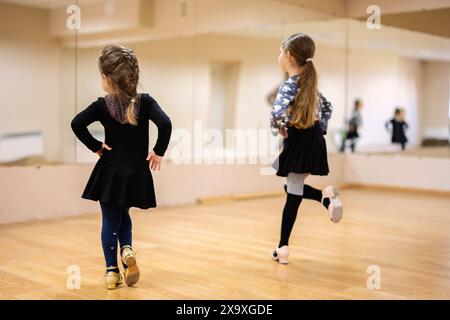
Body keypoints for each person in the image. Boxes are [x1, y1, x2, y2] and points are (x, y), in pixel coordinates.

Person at [71, 45, 172, 289]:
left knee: (109, 218)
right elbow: (166, 123)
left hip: (110, 170)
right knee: (123, 214)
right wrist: (158, 152)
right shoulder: (145, 102)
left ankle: (111, 272)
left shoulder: (101, 105)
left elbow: (76, 124)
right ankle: (127, 250)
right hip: (135, 171)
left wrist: (96, 146)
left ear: (106, 79)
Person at [270, 33, 343, 265]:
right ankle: (324, 198)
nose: (279, 56)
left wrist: (281, 128)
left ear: (289, 56)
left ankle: (283, 247)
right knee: (292, 187)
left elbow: (276, 115)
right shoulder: (311, 86)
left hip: (298, 141)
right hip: (313, 142)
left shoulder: (290, 84)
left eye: (281, 52)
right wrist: (318, 130)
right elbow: (328, 108)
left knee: (292, 192)